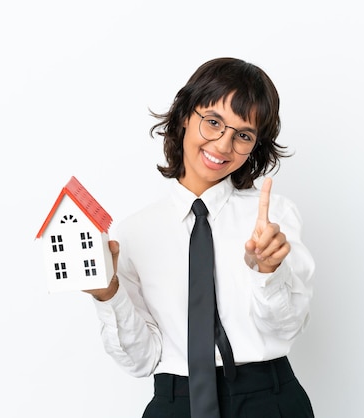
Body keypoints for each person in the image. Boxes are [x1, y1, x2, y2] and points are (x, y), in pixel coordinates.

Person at [85, 57, 315, 417]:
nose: (223, 146)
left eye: (243, 135)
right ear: (183, 117)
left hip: (267, 401)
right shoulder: (134, 232)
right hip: (176, 401)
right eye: (213, 123)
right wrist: (108, 295)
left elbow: (287, 329)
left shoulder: (272, 219)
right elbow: (141, 361)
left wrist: (267, 272)